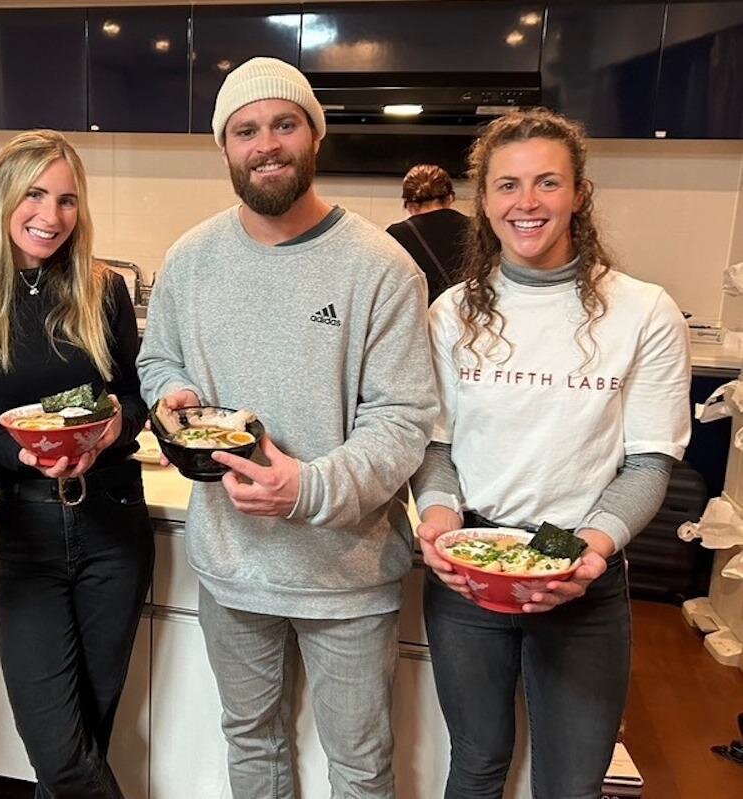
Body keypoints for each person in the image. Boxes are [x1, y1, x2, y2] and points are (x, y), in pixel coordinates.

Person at [137, 57, 438, 798]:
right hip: (231, 563)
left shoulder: (381, 267)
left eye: (284, 124)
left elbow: (403, 419)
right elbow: (158, 358)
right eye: (245, 131)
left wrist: (306, 488)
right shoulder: (190, 259)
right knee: (252, 741)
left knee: (360, 765)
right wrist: (171, 392)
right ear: (225, 147)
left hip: (347, 573)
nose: (265, 144)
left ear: (314, 135)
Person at [411, 109, 691, 799]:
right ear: (483, 201)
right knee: (476, 764)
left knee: (572, 783)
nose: (526, 202)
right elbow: (436, 445)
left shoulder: (644, 312)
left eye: (547, 182)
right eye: (507, 185)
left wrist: (585, 553)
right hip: (472, 570)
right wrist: (439, 519)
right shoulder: (451, 314)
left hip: (580, 571)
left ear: (580, 194)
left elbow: (649, 462)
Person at [0, 130, 153, 799]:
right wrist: (24, 452)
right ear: (3, 198)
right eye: (35, 195)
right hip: (26, 532)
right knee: (60, 752)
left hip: (113, 522)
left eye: (67, 200)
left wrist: (113, 427)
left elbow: (133, 395)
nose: (51, 216)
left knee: (88, 736)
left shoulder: (103, 291)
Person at [386, 164, 469, 302]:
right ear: (450, 198)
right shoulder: (479, 228)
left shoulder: (396, 235)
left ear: (409, 205)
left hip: (424, 313)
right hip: (478, 311)